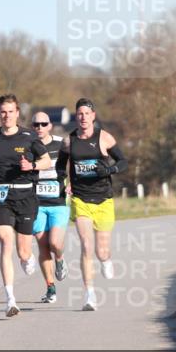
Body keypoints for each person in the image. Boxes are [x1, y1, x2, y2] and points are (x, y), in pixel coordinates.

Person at [0, 94, 52, 317]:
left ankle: (28, 257)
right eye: (3, 111)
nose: (7, 116)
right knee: (5, 242)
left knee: (23, 251)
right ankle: (10, 300)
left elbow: (47, 161)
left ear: (17, 113)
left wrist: (31, 165)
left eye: (11, 111)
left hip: (25, 196)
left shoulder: (29, 136)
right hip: (1, 194)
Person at [62, 98, 127, 311]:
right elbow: (59, 168)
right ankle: (90, 295)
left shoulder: (105, 138)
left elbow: (123, 162)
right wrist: (65, 184)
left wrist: (108, 171)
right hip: (81, 199)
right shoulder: (69, 142)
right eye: (79, 114)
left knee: (101, 250)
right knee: (86, 246)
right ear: (76, 116)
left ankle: (106, 260)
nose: (83, 117)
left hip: (104, 199)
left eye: (86, 114)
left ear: (93, 116)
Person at [29, 112, 70, 303]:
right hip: (36, 203)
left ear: (50, 126)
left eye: (43, 124)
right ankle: (50, 288)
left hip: (58, 202)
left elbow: (74, 162)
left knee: (55, 243)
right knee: (42, 245)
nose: (39, 128)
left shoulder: (62, 143)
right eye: (36, 124)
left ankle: (60, 260)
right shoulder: (28, 145)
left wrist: (72, 182)